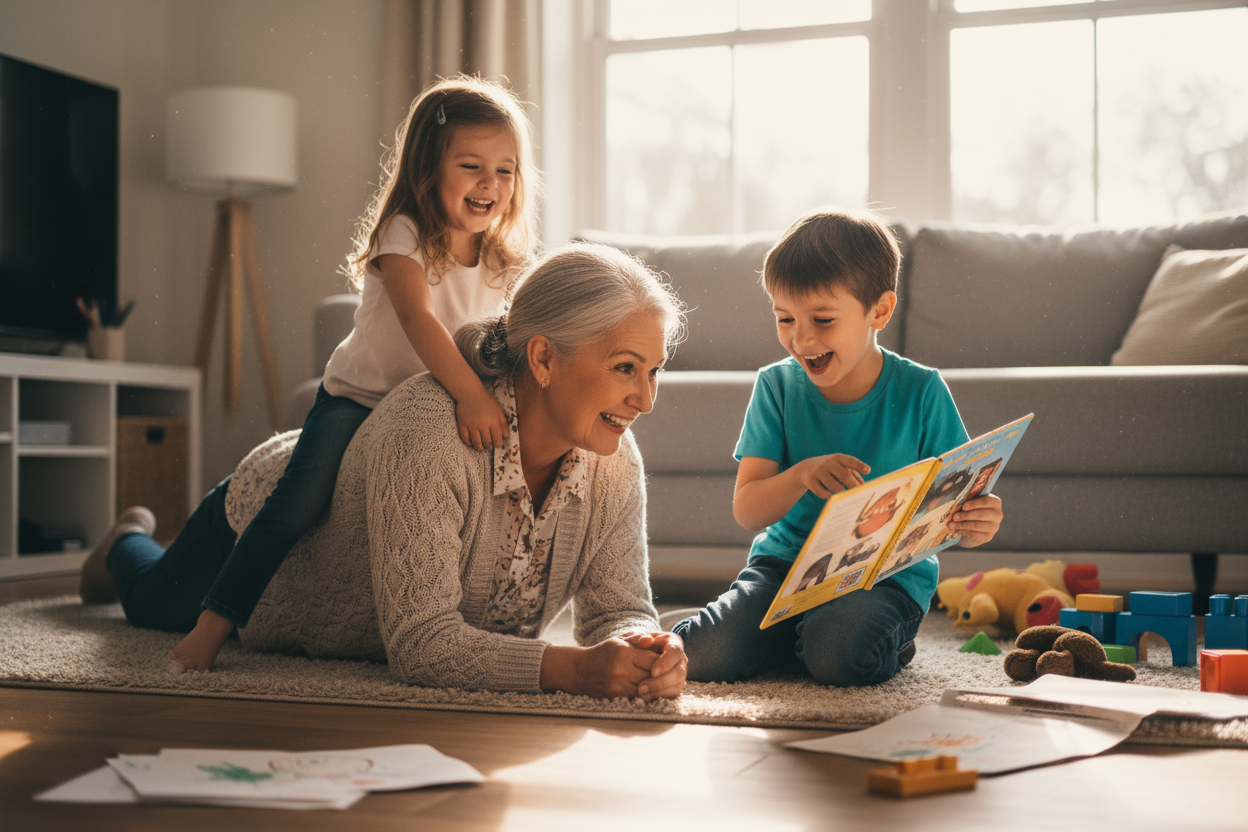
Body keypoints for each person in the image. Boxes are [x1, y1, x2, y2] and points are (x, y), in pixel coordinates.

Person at [81, 243, 689, 701]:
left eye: (655, 371)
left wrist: (647, 647)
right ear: (544, 358)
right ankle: (124, 539)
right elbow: (422, 645)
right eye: (625, 368)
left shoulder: (615, 459)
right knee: (145, 600)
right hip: (252, 538)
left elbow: (619, 608)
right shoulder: (427, 429)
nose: (647, 399)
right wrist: (574, 670)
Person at [160, 75, 540, 673]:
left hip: (433, 408)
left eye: (506, 170)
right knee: (298, 504)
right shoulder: (404, 233)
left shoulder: (503, 259)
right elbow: (419, 320)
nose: (490, 184)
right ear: (428, 168)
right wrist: (470, 394)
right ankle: (209, 624)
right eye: (471, 166)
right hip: (360, 399)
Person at [672, 208, 1004, 687]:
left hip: (884, 580)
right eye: (784, 318)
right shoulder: (776, 387)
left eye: (822, 320)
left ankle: (848, 637)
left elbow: (959, 506)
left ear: (880, 311)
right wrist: (799, 475)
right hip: (784, 571)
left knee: (839, 657)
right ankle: (795, 633)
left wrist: (979, 523)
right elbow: (748, 512)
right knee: (702, 657)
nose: (801, 338)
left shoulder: (922, 391)